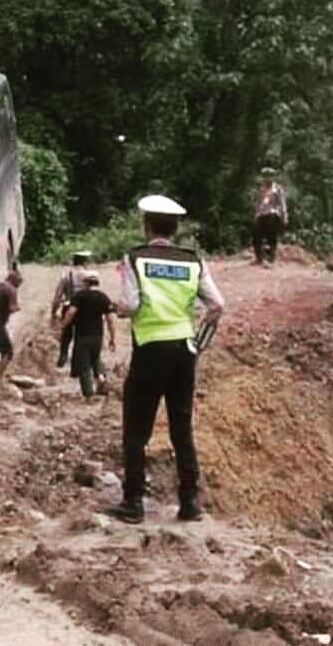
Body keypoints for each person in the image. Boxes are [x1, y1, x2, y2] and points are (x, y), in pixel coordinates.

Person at [110, 195, 224, 525]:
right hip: (184, 351)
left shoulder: (135, 258)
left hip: (149, 349)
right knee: (181, 427)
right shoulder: (193, 260)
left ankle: (133, 502)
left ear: (147, 226)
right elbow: (217, 305)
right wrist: (198, 342)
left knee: (136, 428)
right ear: (174, 228)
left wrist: (119, 310)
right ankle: (190, 502)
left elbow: (130, 305)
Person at [60, 270, 116, 399]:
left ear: (85, 282)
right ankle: (101, 378)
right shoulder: (103, 297)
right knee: (96, 359)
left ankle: (89, 394)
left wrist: (63, 325)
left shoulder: (79, 296)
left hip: (83, 336)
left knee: (84, 365)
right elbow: (110, 321)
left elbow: (71, 312)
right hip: (98, 336)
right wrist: (112, 338)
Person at [51, 250, 93, 368]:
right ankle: (80, 360)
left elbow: (58, 295)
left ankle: (63, 356)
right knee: (82, 334)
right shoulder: (88, 275)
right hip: (84, 309)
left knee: (66, 334)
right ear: (84, 261)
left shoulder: (66, 274)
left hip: (68, 306)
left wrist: (53, 312)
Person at [253, 167, 288, 267]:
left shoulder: (277, 189)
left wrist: (284, 215)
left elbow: (282, 203)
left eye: (269, 176)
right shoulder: (261, 188)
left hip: (273, 213)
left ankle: (271, 258)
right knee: (256, 235)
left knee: (271, 234)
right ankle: (259, 259)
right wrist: (256, 215)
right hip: (262, 214)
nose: (267, 178)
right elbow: (258, 203)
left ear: (273, 177)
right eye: (265, 176)